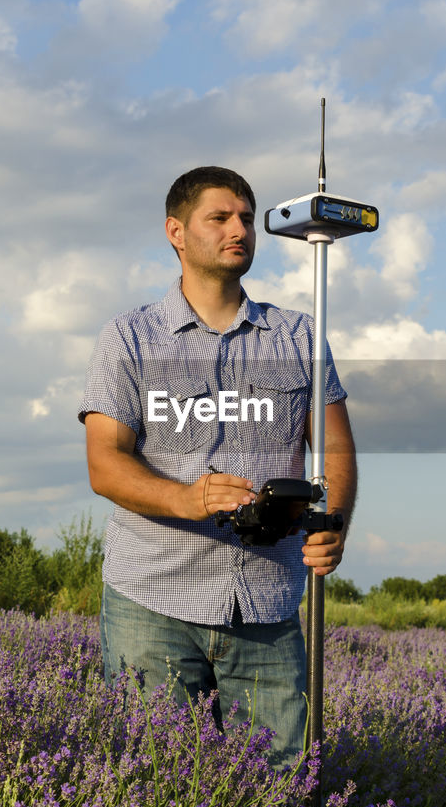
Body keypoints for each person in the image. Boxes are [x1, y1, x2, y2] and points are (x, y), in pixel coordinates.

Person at [78, 166, 357, 769]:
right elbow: (105, 463)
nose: (240, 230)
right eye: (221, 217)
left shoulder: (301, 335)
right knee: (155, 781)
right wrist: (189, 499)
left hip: (267, 600)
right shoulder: (129, 337)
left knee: (277, 784)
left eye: (248, 220)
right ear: (177, 232)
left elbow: (334, 447)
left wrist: (334, 523)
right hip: (153, 600)